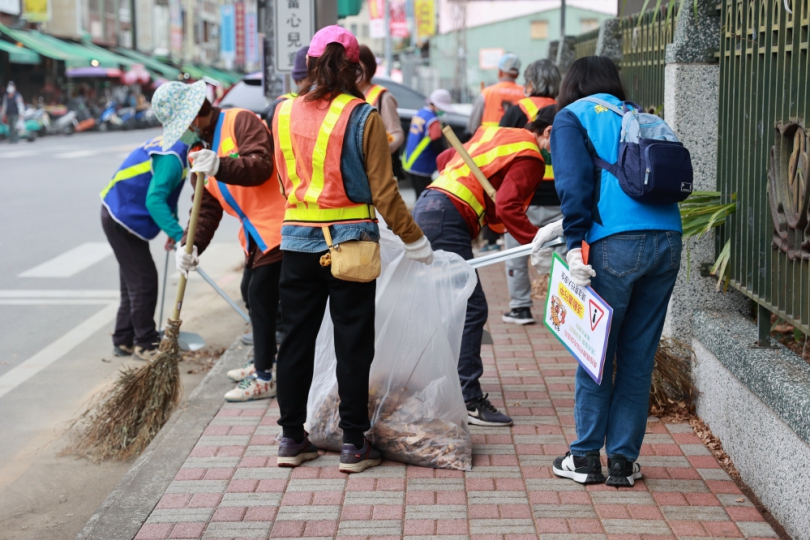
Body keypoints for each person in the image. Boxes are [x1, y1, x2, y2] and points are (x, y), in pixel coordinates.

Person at [271, 26, 432, 473]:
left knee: (296, 341)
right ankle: (353, 444)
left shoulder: (281, 113)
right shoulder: (363, 116)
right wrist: (415, 240)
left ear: (309, 65)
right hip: (351, 245)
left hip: (297, 243)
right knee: (353, 345)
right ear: (354, 67)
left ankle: (290, 438)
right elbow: (385, 193)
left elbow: (284, 180)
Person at [533, 56, 682, 487]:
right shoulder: (638, 115)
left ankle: (583, 459)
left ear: (572, 84)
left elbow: (576, 185)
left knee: (595, 351)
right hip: (668, 240)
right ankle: (622, 461)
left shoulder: (571, 117)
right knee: (637, 356)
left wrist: (573, 244)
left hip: (613, 246)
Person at [413, 115, 555, 427]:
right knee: (471, 307)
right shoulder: (531, 155)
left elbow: (445, 157)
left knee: (449, 307)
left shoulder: (495, 133)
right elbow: (507, 206)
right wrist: (538, 241)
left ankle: (434, 385)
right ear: (548, 132)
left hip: (428, 205)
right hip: (448, 216)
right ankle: (469, 399)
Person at [151, 80, 286, 403]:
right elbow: (206, 206)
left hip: (281, 224)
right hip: (256, 232)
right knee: (250, 293)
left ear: (197, 115)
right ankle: (263, 361)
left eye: (182, 126)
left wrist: (221, 165)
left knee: (261, 295)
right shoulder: (196, 150)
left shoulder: (240, 121)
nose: (182, 134)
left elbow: (262, 165)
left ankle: (265, 376)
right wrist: (190, 245)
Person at [99, 136, 190, 361]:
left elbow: (168, 192)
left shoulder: (173, 144)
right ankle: (145, 343)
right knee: (144, 281)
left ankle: (124, 339)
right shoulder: (173, 157)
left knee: (132, 282)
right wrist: (180, 237)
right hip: (123, 217)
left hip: (117, 211)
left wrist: (171, 226)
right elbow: (155, 200)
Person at [499, 60, 565, 325]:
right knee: (559, 255)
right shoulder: (565, 112)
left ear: (530, 82)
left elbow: (502, 150)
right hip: (559, 198)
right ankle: (561, 308)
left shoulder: (517, 112)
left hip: (523, 198)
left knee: (517, 254)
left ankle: (520, 307)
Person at [401, 88, 455, 200]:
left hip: (410, 161)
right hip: (422, 164)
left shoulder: (421, 113)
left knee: (419, 195)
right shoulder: (433, 120)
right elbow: (437, 145)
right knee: (424, 197)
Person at [357, 45, 404, 154]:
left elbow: (397, 134)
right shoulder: (347, 94)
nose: (353, 72)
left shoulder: (383, 97)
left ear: (368, 69)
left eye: (358, 67)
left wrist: (381, 153)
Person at [467, 53, 525, 132]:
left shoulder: (486, 93)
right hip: (519, 142)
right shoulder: (525, 93)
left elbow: (473, 126)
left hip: (490, 143)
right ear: (517, 74)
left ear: (500, 72)